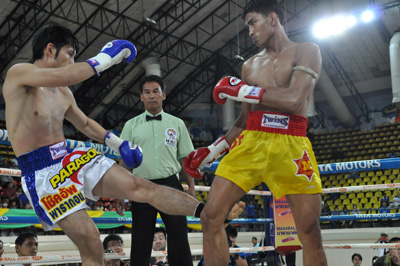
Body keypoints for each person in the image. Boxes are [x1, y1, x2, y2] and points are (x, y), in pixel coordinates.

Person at [3, 23, 244, 265]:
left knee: (142, 187)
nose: (72, 61)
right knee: (91, 242)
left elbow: (85, 124)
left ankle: (210, 214)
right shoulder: (19, 74)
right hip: (42, 170)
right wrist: (103, 59)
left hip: (67, 157)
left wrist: (118, 144)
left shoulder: (63, 92)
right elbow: (65, 74)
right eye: (70, 53)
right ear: (50, 48)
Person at [184, 1, 326, 265]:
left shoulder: (307, 51)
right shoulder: (249, 66)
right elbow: (244, 119)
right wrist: (213, 150)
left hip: (291, 144)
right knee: (210, 216)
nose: (249, 31)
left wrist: (242, 91)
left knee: (309, 231)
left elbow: (295, 100)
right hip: (252, 142)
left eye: (253, 22)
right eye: (247, 25)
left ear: (272, 18)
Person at [115, 75, 196, 266]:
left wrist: (191, 187)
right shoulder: (130, 126)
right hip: (141, 186)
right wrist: (119, 193)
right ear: (141, 97)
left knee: (179, 237)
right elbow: (124, 162)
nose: (151, 96)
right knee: (141, 240)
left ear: (163, 95)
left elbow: (186, 158)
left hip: (171, 184)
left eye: (155, 91)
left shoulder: (177, 124)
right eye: (147, 92)